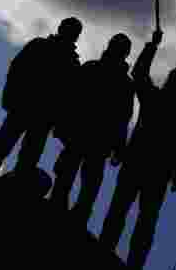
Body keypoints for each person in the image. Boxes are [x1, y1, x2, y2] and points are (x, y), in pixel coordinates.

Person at [99, 30, 176, 270]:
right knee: (136, 217)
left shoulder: (162, 103)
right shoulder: (174, 110)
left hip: (146, 167)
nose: (173, 83)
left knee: (131, 215)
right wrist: (151, 46)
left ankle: (116, 254)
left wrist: (152, 46)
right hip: (151, 170)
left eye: (175, 80)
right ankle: (122, 258)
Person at [0, 17, 82, 180]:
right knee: (7, 144)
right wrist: (10, 95)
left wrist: (58, 119)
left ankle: (6, 178)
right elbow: (17, 70)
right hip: (26, 106)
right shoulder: (43, 47)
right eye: (70, 30)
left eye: (73, 31)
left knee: (26, 152)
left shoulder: (70, 61)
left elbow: (69, 96)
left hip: (41, 113)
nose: (70, 34)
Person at [49, 32, 135, 226]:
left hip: (94, 138)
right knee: (74, 177)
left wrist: (119, 147)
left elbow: (123, 118)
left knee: (85, 181)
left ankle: (74, 214)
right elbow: (71, 97)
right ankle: (65, 210)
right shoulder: (102, 73)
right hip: (85, 135)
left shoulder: (105, 75)